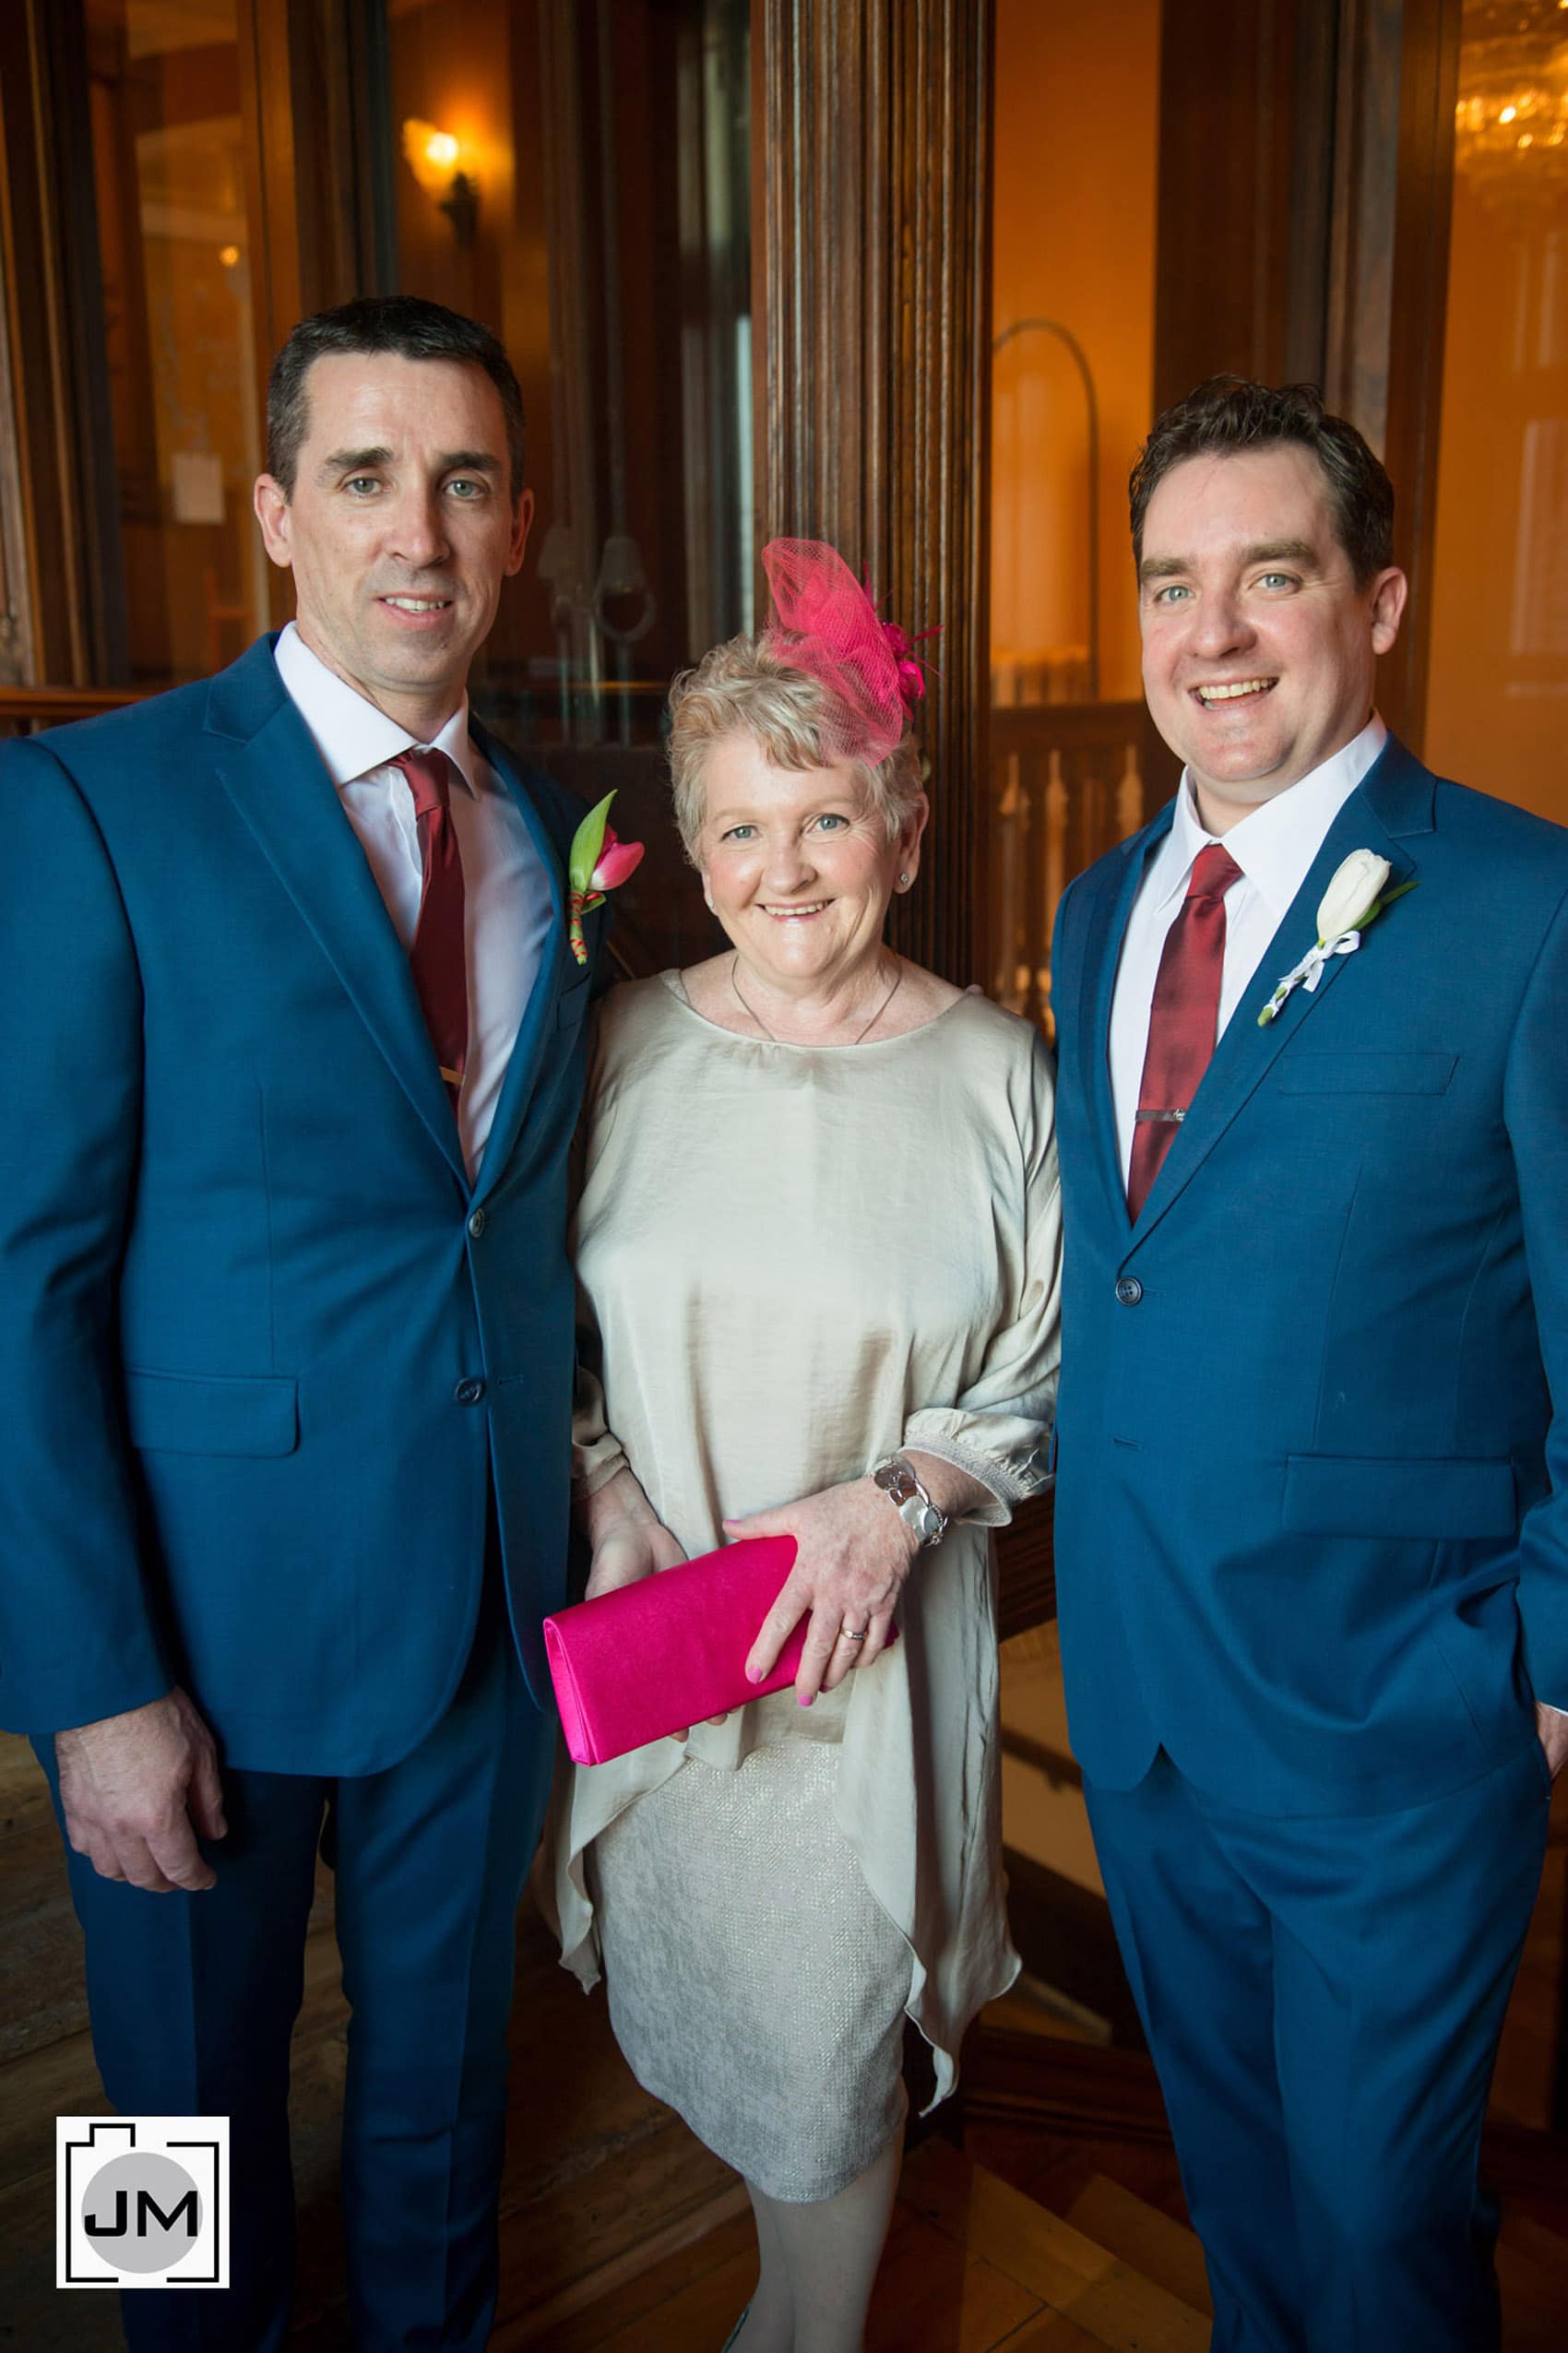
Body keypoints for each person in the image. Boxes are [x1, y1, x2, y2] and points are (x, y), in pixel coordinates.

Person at [0, 296, 606, 2351]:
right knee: (164, 2123)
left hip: (484, 1608)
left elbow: (509, 1226)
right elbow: (22, 1282)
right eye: (364, 477)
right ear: (278, 513)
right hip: (199, 1632)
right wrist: (93, 1688)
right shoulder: (93, 805)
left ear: (515, 524)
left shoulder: (551, 830)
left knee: (448, 2095)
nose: (416, 531)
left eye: (462, 482)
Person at [1049, 374, 1568, 2352]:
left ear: (1381, 602)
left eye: (1270, 575)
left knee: (1378, 2239)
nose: (1215, 635)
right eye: (1170, 585)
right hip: (1144, 1711)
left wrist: (1543, 1671)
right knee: (1244, 2208)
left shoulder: (1529, 910)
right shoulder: (1100, 909)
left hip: (1398, 1720)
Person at [544, 539, 1061, 2353]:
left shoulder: (1003, 1078)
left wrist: (901, 1496)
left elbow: (1049, 1367)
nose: (783, 868)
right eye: (741, 829)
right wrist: (603, 1481)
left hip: (867, 1704)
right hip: (671, 1679)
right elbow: (531, 1330)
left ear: (901, 835)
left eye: (825, 820)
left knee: (831, 2108)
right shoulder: (617, 1047)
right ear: (694, 854)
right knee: (750, 2116)